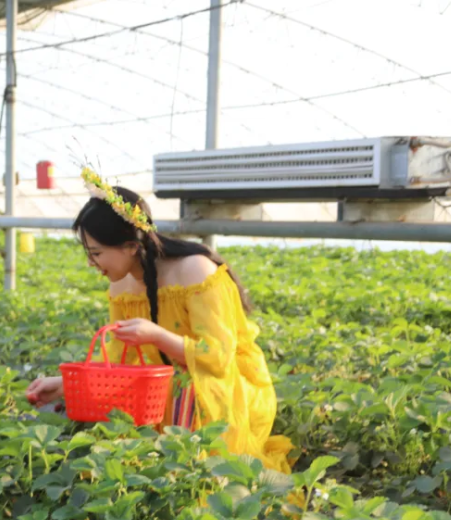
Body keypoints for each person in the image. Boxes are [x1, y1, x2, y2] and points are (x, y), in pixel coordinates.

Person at [25, 168, 293, 473]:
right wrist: (65, 385)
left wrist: (157, 336)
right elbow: (117, 361)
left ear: (131, 246)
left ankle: (185, 471)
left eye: (96, 252)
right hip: (161, 387)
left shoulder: (196, 271)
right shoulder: (120, 286)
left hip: (222, 386)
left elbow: (218, 359)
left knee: (187, 400)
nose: (91, 262)